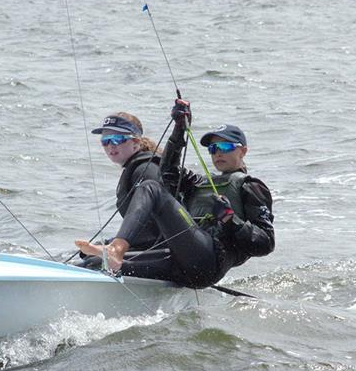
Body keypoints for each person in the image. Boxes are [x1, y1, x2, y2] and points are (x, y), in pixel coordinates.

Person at [75, 100, 274, 288]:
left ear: (243, 151)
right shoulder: (200, 183)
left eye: (225, 146)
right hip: (179, 262)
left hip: (208, 262)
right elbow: (167, 170)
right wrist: (179, 127)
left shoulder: (250, 186)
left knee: (151, 188)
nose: (218, 153)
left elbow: (266, 243)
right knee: (95, 263)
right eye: (213, 149)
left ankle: (117, 249)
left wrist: (231, 220)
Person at [87, 112, 162, 251]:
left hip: (164, 249)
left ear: (136, 142)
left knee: (92, 262)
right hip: (146, 245)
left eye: (117, 139)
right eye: (105, 140)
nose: (110, 146)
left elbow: (154, 231)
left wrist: (114, 246)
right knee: (83, 254)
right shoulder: (133, 169)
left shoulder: (146, 170)